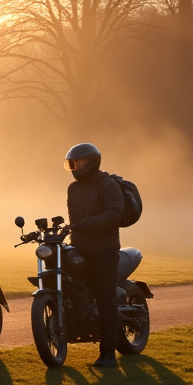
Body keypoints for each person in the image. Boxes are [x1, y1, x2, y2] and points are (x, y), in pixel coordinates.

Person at [64, 142, 125, 369]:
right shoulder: (73, 188)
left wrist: (87, 224)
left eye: (78, 163)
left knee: (105, 298)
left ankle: (108, 353)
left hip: (104, 249)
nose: (75, 167)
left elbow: (114, 215)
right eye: (72, 163)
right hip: (80, 247)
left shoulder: (108, 185)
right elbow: (74, 219)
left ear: (91, 163)